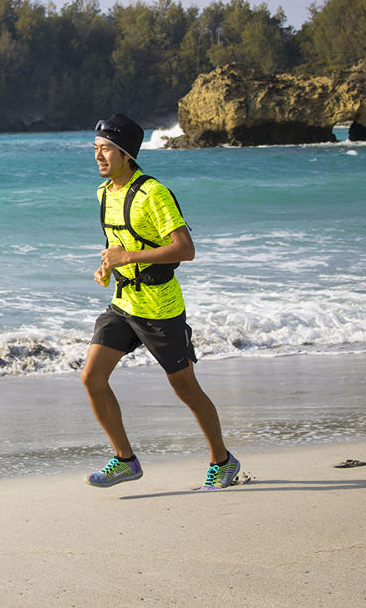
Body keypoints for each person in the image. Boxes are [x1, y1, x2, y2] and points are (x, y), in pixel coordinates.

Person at [81, 113, 240, 490]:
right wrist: (107, 266)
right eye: (96, 149)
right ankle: (125, 460)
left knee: (185, 389)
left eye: (106, 149)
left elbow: (185, 249)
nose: (98, 156)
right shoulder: (104, 193)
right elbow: (118, 244)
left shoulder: (154, 193)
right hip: (124, 303)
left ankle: (223, 460)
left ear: (126, 153)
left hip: (160, 309)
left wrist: (128, 259)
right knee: (91, 377)